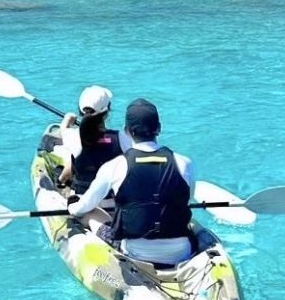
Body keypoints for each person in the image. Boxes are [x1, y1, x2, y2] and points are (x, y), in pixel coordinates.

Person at [66, 99, 195, 266]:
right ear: (159, 129)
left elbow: (83, 207)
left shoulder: (114, 166)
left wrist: (72, 206)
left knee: (90, 213)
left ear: (127, 131)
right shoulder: (185, 163)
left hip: (134, 253)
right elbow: (187, 201)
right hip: (182, 252)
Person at [58, 86, 131, 194]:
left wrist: (67, 120)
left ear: (81, 111)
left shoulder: (73, 136)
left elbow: (62, 132)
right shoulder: (121, 138)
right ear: (106, 113)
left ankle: (60, 181)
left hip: (82, 197)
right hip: (113, 200)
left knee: (70, 160)